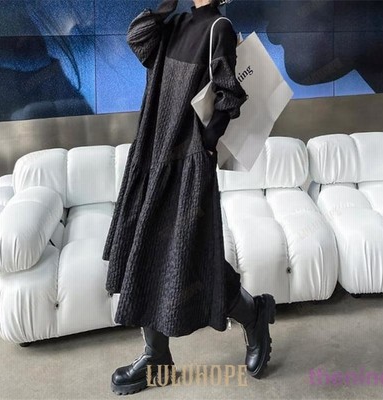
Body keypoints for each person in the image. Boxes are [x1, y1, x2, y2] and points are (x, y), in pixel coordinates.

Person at [101, 0, 276, 395]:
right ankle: (158, 356)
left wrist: (205, 144)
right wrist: (165, 6)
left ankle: (252, 315)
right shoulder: (175, 23)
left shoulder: (219, 28)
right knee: (147, 250)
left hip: (187, 164)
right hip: (152, 154)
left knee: (192, 258)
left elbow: (229, 96)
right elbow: (138, 39)